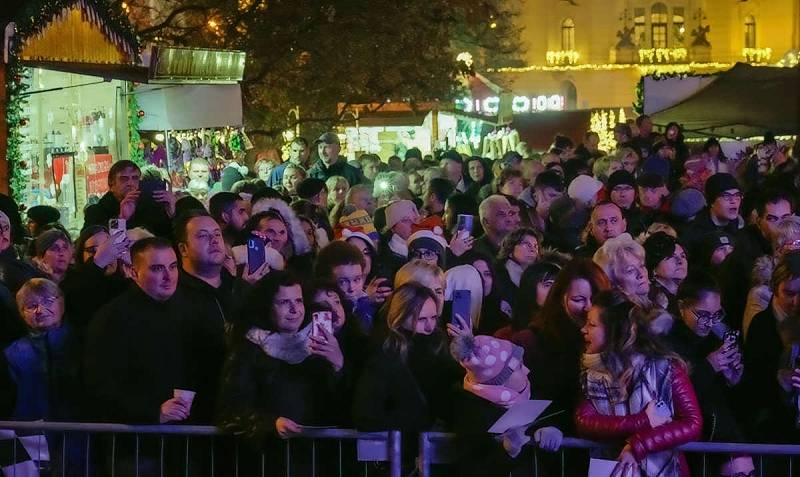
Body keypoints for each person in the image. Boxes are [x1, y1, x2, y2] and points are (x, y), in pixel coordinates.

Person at [218, 272, 346, 474]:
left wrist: (338, 365)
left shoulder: (321, 342)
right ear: (267, 306)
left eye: (298, 300)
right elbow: (232, 410)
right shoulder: (248, 348)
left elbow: (340, 404)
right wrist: (271, 425)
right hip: (265, 461)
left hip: (316, 460)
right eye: (284, 302)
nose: (295, 310)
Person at [575, 291, 703, 476]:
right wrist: (643, 421)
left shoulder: (666, 369)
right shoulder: (590, 374)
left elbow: (692, 423)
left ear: (615, 331)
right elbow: (585, 421)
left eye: (592, 324)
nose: (583, 329)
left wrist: (638, 445)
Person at [353, 282, 462, 468]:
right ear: (400, 316)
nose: (430, 326)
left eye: (434, 317)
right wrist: (413, 422)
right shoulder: (384, 353)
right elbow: (366, 412)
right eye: (421, 319)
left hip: (440, 453)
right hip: (402, 458)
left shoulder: (440, 347)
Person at [667, 273, 754, 477]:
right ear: (682, 307)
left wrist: (734, 380)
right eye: (703, 315)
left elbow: (728, 401)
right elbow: (671, 395)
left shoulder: (714, 339)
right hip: (694, 444)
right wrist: (709, 366)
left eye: (716, 315)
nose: (710, 322)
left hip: (724, 436)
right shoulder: (667, 342)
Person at [513, 259, 612, 437]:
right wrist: (552, 426)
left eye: (595, 299)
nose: (588, 307)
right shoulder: (532, 341)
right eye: (578, 299)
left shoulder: (616, 342)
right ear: (561, 298)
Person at [449, 331, 563, 477]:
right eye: (518, 367)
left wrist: (553, 429)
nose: (525, 370)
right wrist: (507, 451)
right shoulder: (472, 414)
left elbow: (556, 417)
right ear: (500, 383)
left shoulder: (532, 394)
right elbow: (471, 468)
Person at [5, 278, 83, 473]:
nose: (40, 310)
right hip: (27, 437)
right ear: (22, 313)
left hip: (77, 436)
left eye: (48, 301)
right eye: (31, 306)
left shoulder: (82, 342)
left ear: (62, 304)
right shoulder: (12, 353)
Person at [741, 251, 800, 444]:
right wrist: (779, 379)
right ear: (775, 288)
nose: (796, 302)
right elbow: (753, 380)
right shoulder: (761, 325)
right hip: (773, 429)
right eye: (789, 293)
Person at [720, 188, 795, 330]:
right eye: (772, 219)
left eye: (786, 218)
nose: (780, 226)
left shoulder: (792, 245)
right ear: (759, 221)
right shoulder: (744, 259)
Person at [60, 225, 131, 329]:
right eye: (93, 251)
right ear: (81, 254)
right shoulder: (72, 283)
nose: (105, 255)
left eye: (109, 249)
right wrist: (98, 263)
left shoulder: (127, 284)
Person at [83, 160, 175, 237]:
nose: (130, 183)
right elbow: (92, 242)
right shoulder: (96, 212)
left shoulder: (150, 207)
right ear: (111, 184)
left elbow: (167, 238)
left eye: (135, 178)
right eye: (124, 179)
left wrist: (172, 214)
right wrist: (121, 219)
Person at [315, 240, 390, 333]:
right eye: (343, 282)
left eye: (357, 279)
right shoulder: (323, 314)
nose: (352, 288)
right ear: (326, 280)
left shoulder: (369, 303)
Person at [682, 173, 745, 256]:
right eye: (726, 196)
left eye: (737, 195)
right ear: (712, 201)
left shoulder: (741, 229)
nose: (733, 201)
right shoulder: (694, 234)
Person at [494, 260, 560, 340]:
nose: (555, 290)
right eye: (548, 285)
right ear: (530, 287)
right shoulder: (505, 336)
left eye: (558, 285)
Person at [593, 234, 652, 309]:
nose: (641, 274)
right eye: (630, 271)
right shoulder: (623, 315)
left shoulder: (656, 300)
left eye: (641, 266)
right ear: (613, 282)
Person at [493, 228, 540, 313]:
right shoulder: (498, 276)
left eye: (536, 246)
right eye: (527, 245)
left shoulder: (537, 276)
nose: (533, 250)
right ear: (511, 248)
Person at [643, 232, 688, 314]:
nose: (680, 261)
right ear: (653, 267)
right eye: (671, 257)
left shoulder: (691, 290)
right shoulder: (655, 301)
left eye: (683, 256)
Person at [376, 199, 420, 278]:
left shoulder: (423, 245)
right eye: (406, 220)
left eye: (415, 219)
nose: (413, 224)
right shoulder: (384, 252)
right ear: (393, 227)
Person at [607, 170, 647, 237]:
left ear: (635, 193)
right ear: (609, 193)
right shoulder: (601, 217)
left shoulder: (644, 218)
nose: (622, 194)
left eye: (627, 188)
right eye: (617, 189)